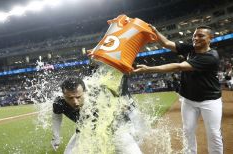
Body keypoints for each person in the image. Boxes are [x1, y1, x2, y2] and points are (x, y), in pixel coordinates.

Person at [133, 25, 223, 154]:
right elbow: (166, 43)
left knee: (214, 133)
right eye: (194, 35)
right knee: (187, 131)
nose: (196, 38)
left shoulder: (211, 57)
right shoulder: (191, 49)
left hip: (209, 100)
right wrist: (155, 30)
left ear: (210, 38)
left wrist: (148, 69)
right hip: (188, 99)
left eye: (201, 36)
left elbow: (178, 67)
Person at [51, 77, 144, 154]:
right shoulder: (59, 102)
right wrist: (56, 136)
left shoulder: (97, 94)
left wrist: (133, 127)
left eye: (78, 97)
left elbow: (123, 105)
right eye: (70, 98)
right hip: (85, 130)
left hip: (113, 129)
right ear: (63, 95)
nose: (75, 102)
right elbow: (56, 115)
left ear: (85, 92)